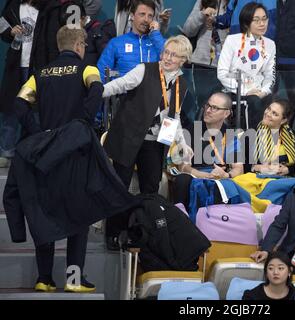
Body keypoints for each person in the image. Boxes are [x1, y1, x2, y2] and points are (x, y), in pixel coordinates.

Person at [12, 25, 104, 292]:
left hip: (47, 154)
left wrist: (38, 131)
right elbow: (97, 91)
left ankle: (44, 279)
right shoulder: (87, 68)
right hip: (76, 153)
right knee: (79, 216)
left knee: (46, 215)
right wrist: (83, 122)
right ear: (79, 45)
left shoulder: (40, 74)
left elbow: (19, 104)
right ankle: (74, 280)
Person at [101, 35, 192, 250]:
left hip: (155, 141)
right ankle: (114, 233)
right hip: (128, 137)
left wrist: (182, 142)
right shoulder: (146, 69)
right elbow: (121, 84)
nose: (168, 58)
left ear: (183, 60)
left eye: (174, 55)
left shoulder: (181, 82)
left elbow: (174, 116)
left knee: (150, 190)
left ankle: (140, 232)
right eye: (166, 53)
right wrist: (99, 90)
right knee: (119, 187)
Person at [172, 92, 244, 209]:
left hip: (221, 176)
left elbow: (238, 168)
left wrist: (227, 174)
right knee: (182, 179)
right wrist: (203, 175)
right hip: (196, 174)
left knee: (232, 184)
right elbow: (183, 167)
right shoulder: (190, 131)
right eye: (207, 105)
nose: (208, 110)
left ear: (226, 113)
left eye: (214, 108)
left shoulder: (230, 135)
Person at [0, 0, 47, 167]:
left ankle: (33, 150)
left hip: (35, 68)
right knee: (10, 108)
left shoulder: (46, 7)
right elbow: (1, 25)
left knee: (35, 110)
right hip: (15, 67)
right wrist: (10, 32)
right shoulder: (12, 5)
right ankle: (7, 151)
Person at [217, 2, 276, 129]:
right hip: (236, 92)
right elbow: (222, 73)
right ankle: (251, 143)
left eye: (264, 19)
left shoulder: (270, 44)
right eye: (256, 20)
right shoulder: (232, 40)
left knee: (276, 103)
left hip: (260, 93)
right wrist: (244, 91)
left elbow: (270, 75)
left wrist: (263, 91)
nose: (262, 23)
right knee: (253, 102)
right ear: (246, 22)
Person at [97, 0, 165, 81]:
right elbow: (105, 72)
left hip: (152, 92)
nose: (146, 20)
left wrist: (156, 34)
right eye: (142, 14)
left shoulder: (158, 42)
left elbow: (171, 61)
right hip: (123, 92)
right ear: (132, 16)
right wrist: (120, 74)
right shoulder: (116, 43)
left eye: (150, 16)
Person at [182, 0, 228, 68]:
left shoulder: (236, 3)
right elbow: (188, 31)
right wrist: (202, 14)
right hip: (199, 62)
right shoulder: (202, 1)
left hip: (223, 66)